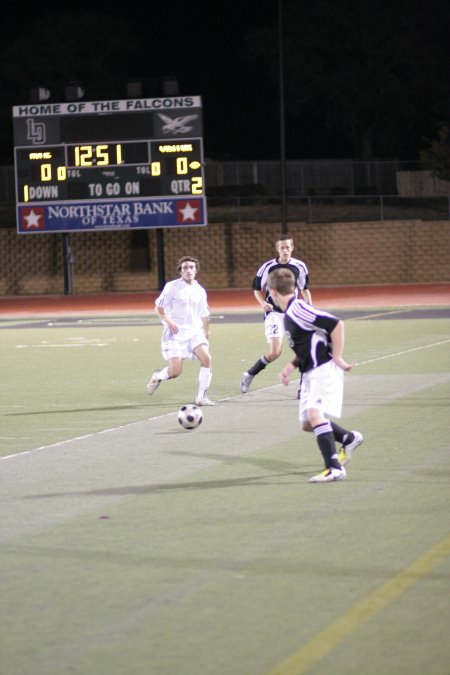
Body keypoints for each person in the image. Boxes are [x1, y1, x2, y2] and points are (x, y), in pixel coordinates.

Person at [267, 267, 363, 483]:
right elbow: (308, 342)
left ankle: (334, 468)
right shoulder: (289, 313)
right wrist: (291, 366)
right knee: (307, 424)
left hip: (323, 368)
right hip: (310, 371)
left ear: (272, 292)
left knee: (314, 415)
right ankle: (349, 438)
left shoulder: (298, 309)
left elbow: (336, 324)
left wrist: (337, 357)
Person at [240, 235, 312, 394]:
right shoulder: (268, 267)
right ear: (277, 249)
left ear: (292, 247)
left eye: (288, 247)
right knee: (275, 352)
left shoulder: (300, 266)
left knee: (303, 350)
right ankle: (250, 373)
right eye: (282, 248)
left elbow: (304, 289)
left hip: (294, 313)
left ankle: (304, 388)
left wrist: (309, 307)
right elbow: (257, 289)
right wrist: (262, 303)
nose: (285, 250)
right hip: (274, 314)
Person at [146, 255, 214, 406]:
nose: (188, 270)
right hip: (175, 334)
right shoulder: (172, 287)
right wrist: (168, 321)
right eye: (185, 268)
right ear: (180, 271)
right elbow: (158, 308)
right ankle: (157, 376)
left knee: (207, 359)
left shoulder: (200, 290)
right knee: (175, 372)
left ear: (196, 270)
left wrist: (206, 332)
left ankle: (201, 397)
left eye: (191, 267)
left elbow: (204, 314)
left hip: (194, 331)